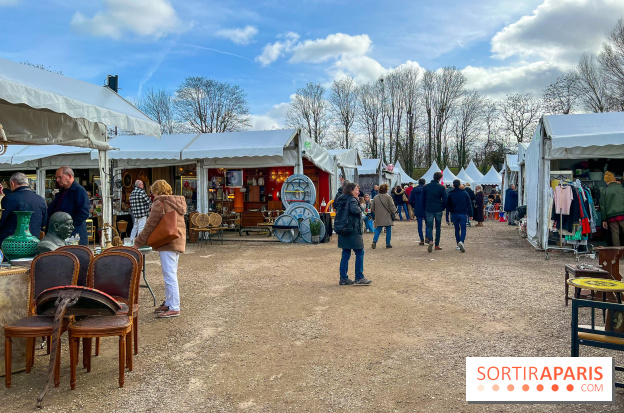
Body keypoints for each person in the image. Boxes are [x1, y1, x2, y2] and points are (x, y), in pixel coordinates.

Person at [134, 180, 187, 318]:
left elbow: (150, 225)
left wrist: (138, 242)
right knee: (171, 273)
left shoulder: (160, 203)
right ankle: (169, 303)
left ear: (155, 191)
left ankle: (174, 307)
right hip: (177, 240)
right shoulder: (177, 202)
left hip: (167, 241)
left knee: (169, 275)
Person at [334, 182, 371, 285]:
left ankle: (343, 278)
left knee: (345, 253)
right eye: (356, 190)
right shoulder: (352, 200)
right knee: (359, 252)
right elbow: (355, 211)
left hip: (342, 229)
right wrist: (362, 207)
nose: (358, 192)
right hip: (352, 230)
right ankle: (359, 277)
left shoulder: (340, 199)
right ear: (351, 190)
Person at [0, 172, 48, 249]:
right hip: (33, 244)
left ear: (12, 184)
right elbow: (44, 223)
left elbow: (1, 221)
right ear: (27, 183)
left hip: (11, 246)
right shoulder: (40, 200)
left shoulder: (9, 199)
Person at [47, 166, 90, 245]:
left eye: (60, 177)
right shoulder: (62, 191)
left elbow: (84, 213)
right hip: (61, 235)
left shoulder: (79, 190)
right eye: (57, 178)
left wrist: (67, 226)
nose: (57, 180)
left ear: (69, 176)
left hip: (74, 235)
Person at [422, 172, 447, 252]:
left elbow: (422, 199)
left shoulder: (426, 187)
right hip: (438, 208)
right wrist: (442, 208)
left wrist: (424, 207)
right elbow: (445, 199)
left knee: (429, 226)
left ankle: (430, 240)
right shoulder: (441, 187)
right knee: (438, 227)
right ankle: (437, 245)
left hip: (429, 208)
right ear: (440, 179)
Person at [447, 180, 472, 252]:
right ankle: (462, 241)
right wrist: (470, 214)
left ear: (453, 185)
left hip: (454, 213)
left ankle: (458, 244)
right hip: (463, 213)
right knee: (463, 228)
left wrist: (451, 211)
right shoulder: (464, 193)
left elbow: (448, 204)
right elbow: (469, 204)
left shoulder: (451, 194)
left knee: (457, 229)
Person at [600, 171, 624, 246]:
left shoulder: (604, 190)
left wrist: (604, 220)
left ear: (607, 181)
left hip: (611, 216)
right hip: (623, 214)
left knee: (615, 233)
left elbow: (603, 206)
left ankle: (617, 253)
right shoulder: (622, 188)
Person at [371, 183, 397, 249]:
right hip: (387, 215)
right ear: (386, 190)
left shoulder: (375, 197)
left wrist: (376, 213)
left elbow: (372, 208)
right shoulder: (388, 197)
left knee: (378, 230)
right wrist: (394, 212)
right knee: (388, 230)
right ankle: (388, 243)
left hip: (379, 216)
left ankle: (374, 241)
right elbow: (392, 206)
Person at [409, 178, 427, 245]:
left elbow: (410, 200)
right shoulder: (426, 189)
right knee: (427, 224)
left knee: (419, 225)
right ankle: (427, 237)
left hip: (418, 208)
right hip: (426, 208)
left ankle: (421, 239)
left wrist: (414, 206)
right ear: (424, 183)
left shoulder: (414, 190)